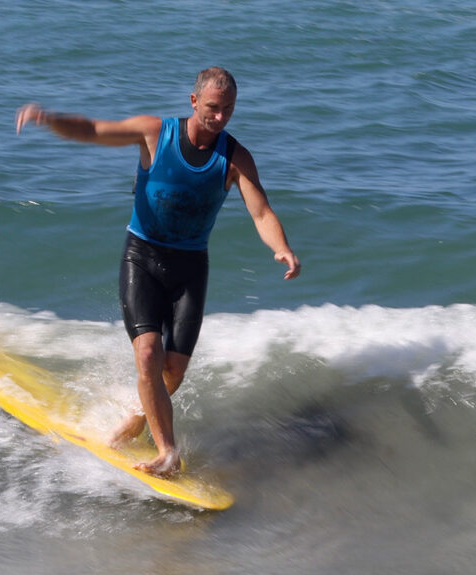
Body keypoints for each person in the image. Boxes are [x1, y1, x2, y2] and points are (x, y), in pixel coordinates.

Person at [15, 66, 301, 477]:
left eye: (228, 110)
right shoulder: (155, 133)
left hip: (190, 267)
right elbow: (94, 130)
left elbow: (261, 211)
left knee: (173, 372)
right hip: (143, 257)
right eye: (213, 108)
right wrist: (50, 119)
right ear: (193, 101)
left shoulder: (234, 157)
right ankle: (168, 452)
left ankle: (132, 423)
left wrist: (282, 248)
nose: (220, 118)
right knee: (148, 353)